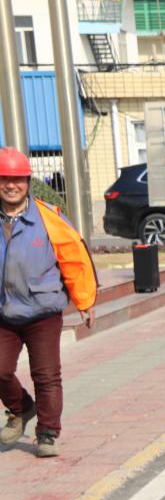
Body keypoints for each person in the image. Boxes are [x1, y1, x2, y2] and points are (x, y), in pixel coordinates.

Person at [0, 149, 97, 459]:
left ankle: (47, 433)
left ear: (28, 182)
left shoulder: (49, 218)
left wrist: (84, 301)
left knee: (46, 375)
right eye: (4, 179)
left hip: (43, 312)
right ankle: (21, 408)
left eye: (17, 179)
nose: (11, 185)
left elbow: (74, 259)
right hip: (4, 312)